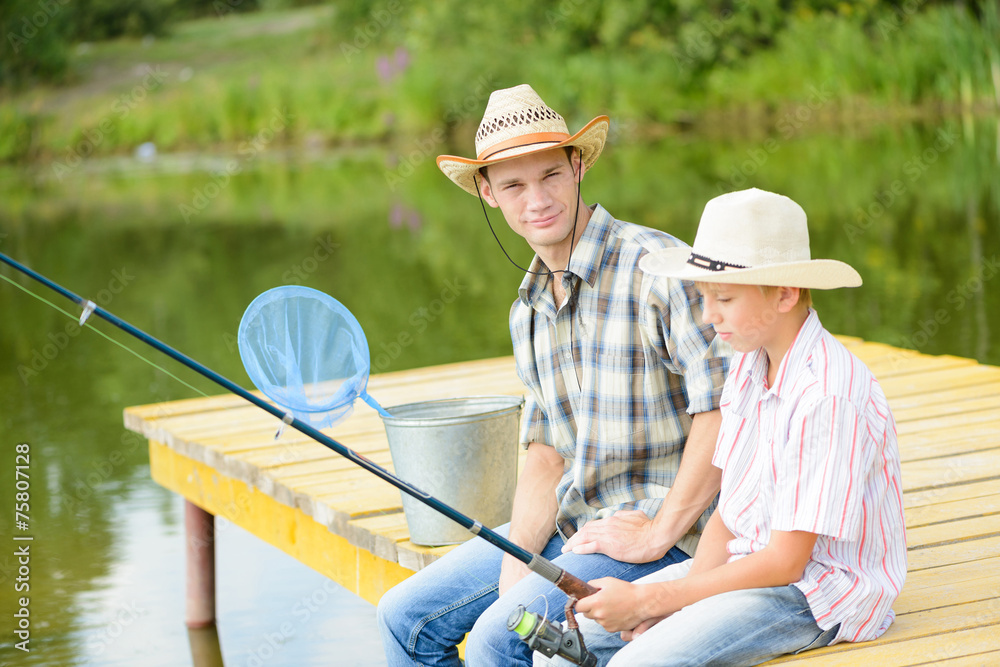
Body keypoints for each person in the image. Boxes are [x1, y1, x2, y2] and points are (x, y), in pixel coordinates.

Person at [376, 84, 731, 666]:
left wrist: (660, 531)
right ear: (488, 194)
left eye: (550, 176)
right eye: (513, 184)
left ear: (579, 165)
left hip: (672, 531)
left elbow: (724, 413)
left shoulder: (657, 270)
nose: (537, 199)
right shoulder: (528, 310)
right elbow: (545, 458)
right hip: (579, 522)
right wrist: (517, 568)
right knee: (404, 617)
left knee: (499, 638)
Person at [538, 188, 907, 667]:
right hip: (749, 566)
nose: (709, 316)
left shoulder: (826, 394)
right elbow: (729, 515)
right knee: (563, 650)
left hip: (816, 593)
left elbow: (786, 562)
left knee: (637, 663)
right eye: (705, 297)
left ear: (785, 293)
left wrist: (657, 602)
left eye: (725, 298)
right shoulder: (747, 365)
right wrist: (677, 603)